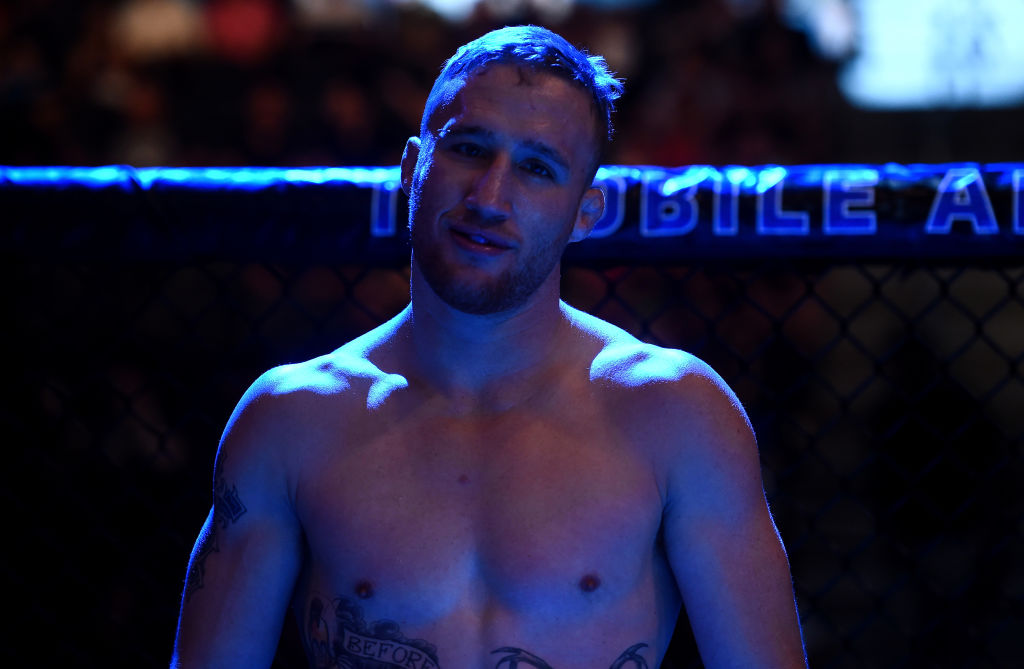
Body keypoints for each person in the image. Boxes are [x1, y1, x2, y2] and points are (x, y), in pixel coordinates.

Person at [171, 25, 807, 669]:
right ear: (412, 168)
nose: (490, 197)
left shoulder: (677, 415)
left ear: (585, 212)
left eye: (536, 167)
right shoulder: (292, 418)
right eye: (470, 150)